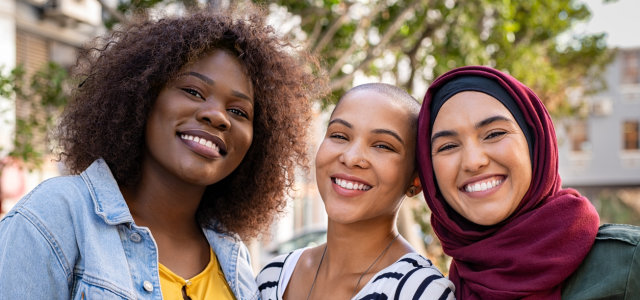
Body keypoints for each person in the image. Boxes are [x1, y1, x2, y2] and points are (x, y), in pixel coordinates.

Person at [0, 6, 324, 299]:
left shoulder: (233, 260)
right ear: (142, 98)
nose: (217, 116)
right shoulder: (57, 216)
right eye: (193, 91)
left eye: (239, 112)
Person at [416, 65, 640, 299]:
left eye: (494, 134)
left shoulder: (627, 266)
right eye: (448, 146)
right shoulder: (436, 291)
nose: (473, 162)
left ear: (536, 144)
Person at [256, 83, 456, 300]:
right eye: (339, 135)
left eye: (382, 146)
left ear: (416, 180)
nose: (351, 158)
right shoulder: (274, 276)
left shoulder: (421, 291)